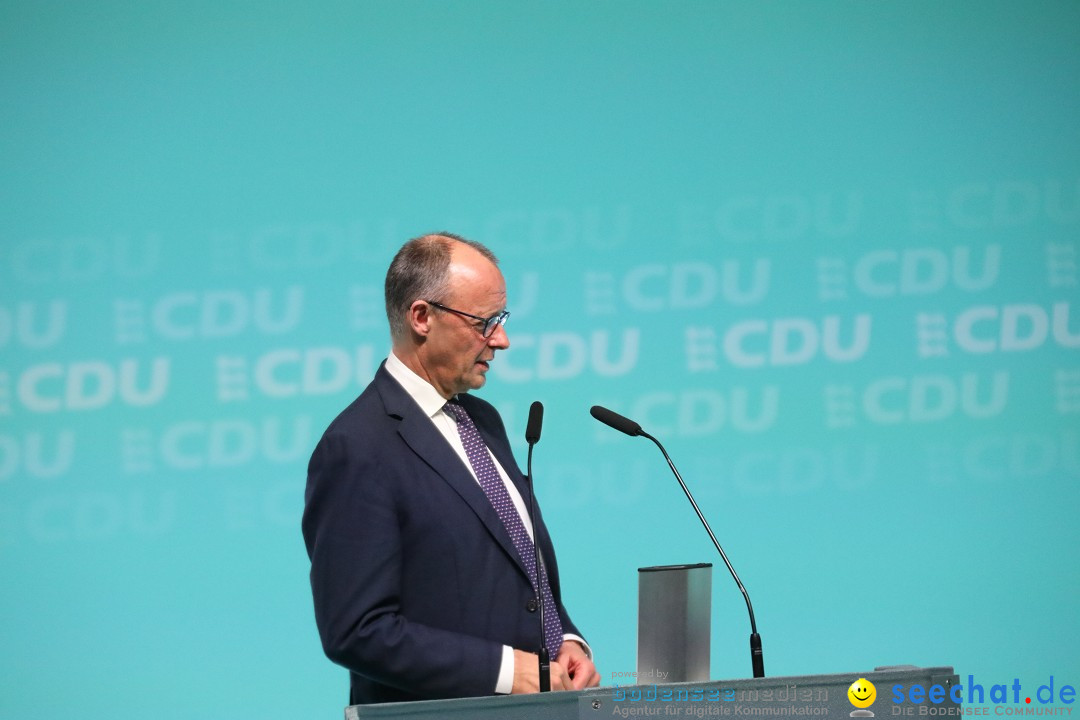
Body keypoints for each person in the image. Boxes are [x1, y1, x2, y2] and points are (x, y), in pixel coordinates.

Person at [302, 232, 600, 705]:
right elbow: (357, 631)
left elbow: (516, 570)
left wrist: (563, 639)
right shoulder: (357, 446)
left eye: (501, 320)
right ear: (421, 317)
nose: (501, 339)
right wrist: (507, 671)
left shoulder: (483, 420)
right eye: (485, 322)